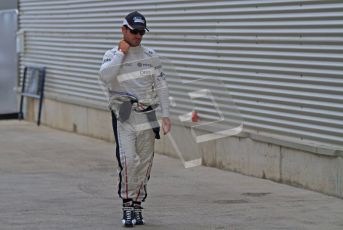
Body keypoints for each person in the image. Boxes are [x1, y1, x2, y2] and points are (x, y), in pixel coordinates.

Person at [99, 11, 171, 227]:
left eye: (141, 32)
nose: (138, 36)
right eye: (134, 31)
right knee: (129, 161)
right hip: (125, 114)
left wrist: (166, 115)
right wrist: (121, 53)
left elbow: (161, 86)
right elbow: (105, 77)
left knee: (145, 163)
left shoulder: (151, 55)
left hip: (148, 114)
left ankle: (138, 205)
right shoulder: (112, 54)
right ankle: (127, 204)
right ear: (123, 30)